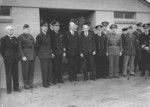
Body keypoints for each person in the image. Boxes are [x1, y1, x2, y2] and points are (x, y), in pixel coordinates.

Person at [0, 26, 21, 94]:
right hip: (8, 59)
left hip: (15, 59)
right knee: (8, 74)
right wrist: (6, 56)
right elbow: (1, 50)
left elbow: (17, 48)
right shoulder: (3, 39)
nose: (12, 31)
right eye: (10, 30)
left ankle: (16, 87)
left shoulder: (15, 38)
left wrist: (17, 57)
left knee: (16, 74)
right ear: (7, 31)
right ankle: (9, 89)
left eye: (12, 29)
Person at [18, 24, 36, 89]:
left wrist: (35, 54)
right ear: (23, 29)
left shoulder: (31, 36)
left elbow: (34, 45)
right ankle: (26, 84)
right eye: (26, 29)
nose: (28, 30)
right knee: (25, 70)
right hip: (25, 55)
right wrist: (22, 56)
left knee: (31, 70)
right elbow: (19, 48)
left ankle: (31, 82)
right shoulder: (20, 37)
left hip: (32, 55)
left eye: (28, 29)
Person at [35, 22, 53, 88]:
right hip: (43, 55)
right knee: (44, 70)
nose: (46, 28)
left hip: (48, 54)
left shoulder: (47, 35)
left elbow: (49, 45)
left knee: (49, 69)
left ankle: (48, 82)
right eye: (44, 26)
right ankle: (44, 83)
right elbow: (36, 46)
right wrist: (38, 54)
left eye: (47, 27)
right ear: (41, 27)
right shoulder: (39, 36)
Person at [51, 20, 66, 84]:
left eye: (58, 26)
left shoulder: (61, 33)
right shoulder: (51, 34)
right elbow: (50, 44)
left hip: (60, 52)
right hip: (55, 52)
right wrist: (51, 52)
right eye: (56, 26)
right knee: (55, 67)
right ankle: (54, 79)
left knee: (60, 66)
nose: (57, 27)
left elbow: (63, 42)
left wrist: (64, 51)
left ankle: (60, 79)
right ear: (53, 27)